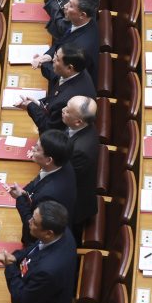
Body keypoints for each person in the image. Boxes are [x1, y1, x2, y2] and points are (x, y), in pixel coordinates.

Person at [0, 200, 76, 303]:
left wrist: (9, 265)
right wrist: (15, 257)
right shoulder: (62, 232)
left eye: (34, 222)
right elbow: (36, 246)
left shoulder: (47, 271)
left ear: (48, 233)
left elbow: (23, 297)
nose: (29, 221)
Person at [17, 44, 96, 133]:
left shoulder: (67, 100)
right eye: (55, 55)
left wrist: (30, 106)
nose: (53, 59)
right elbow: (57, 77)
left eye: (57, 59)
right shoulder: (77, 69)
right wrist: (42, 63)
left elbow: (48, 128)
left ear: (69, 67)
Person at [38, 0, 100, 85]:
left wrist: (42, 63)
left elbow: (60, 79)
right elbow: (62, 41)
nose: (65, 6)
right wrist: (48, 55)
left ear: (82, 15)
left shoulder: (79, 49)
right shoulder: (83, 21)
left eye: (70, 5)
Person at [61, 96, 98, 243]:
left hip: (73, 207)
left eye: (67, 111)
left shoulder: (80, 150)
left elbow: (65, 179)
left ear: (78, 121)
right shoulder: (82, 126)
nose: (63, 110)